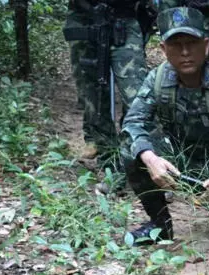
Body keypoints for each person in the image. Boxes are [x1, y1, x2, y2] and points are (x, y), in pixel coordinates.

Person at [121, 6, 209, 245]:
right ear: (164, 50)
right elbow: (133, 123)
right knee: (130, 151)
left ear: (206, 46)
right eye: (176, 45)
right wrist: (151, 159)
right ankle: (160, 225)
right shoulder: (157, 79)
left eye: (192, 43)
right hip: (181, 161)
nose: (185, 52)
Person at [64, 0, 152, 162]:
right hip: (84, 17)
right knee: (91, 91)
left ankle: (134, 146)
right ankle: (105, 149)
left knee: (136, 93)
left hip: (124, 17)